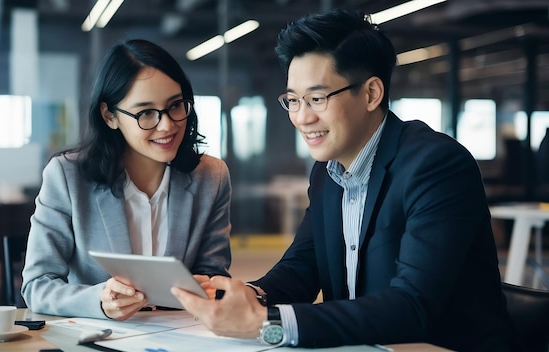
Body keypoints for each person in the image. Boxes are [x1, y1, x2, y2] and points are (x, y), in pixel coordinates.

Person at [171, 8, 515, 351]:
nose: (302, 117)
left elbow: (412, 306)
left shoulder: (437, 166)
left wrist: (267, 325)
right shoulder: (328, 171)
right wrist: (251, 295)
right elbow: (303, 267)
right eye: (293, 100)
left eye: (317, 98)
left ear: (371, 94)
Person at [21, 39, 232, 320]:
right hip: (97, 337)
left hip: (179, 336)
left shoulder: (211, 177)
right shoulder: (66, 176)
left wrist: (205, 286)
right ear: (110, 116)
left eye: (176, 105)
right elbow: (37, 285)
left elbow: (213, 273)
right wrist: (99, 301)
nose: (167, 125)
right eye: (146, 113)